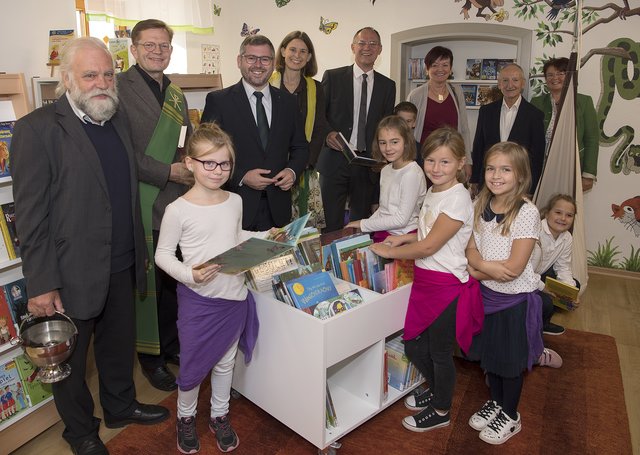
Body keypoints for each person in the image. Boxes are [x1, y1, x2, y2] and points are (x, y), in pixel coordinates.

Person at [11, 37, 169, 455]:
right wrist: (42, 283)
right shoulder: (36, 130)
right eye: (90, 75)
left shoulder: (115, 119)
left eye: (108, 74)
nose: (101, 83)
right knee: (71, 365)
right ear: (66, 79)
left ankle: (120, 407)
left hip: (123, 262)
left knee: (118, 347)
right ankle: (80, 431)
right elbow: (31, 216)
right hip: (71, 270)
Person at [154, 123, 260, 454]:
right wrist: (189, 274)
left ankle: (219, 414)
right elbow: (162, 255)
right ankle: (185, 418)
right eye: (208, 163)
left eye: (224, 163)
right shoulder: (178, 210)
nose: (217, 170)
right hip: (200, 301)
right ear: (190, 163)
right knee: (193, 366)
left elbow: (235, 237)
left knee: (226, 362)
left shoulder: (235, 200)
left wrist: (267, 238)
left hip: (234, 296)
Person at [370, 127, 483, 432]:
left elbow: (431, 245)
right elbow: (425, 231)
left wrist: (389, 249)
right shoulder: (435, 191)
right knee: (414, 345)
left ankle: (442, 408)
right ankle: (437, 391)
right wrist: (403, 238)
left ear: (460, 163)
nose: (436, 168)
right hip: (426, 280)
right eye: (430, 161)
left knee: (438, 352)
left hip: (446, 286)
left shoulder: (458, 198)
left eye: (445, 162)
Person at [117, 18, 193, 393]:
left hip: (180, 202)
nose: (157, 51)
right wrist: (168, 171)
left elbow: (187, 143)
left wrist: (193, 167)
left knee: (174, 282)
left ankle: (173, 344)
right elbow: (123, 153)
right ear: (133, 49)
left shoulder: (176, 94)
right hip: (144, 203)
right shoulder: (117, 89)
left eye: (163, 45)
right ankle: (151, 358)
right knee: (151, 284)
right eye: (149, 45)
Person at [465, 141, 544, 445]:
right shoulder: (479, 204)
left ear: (521, 175)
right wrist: (486, 268)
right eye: (490, 168)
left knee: (510, 364)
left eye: (505, 169)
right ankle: (497, 402)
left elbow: (513, 267)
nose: (496, 175)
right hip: (485, 297)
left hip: (513, 303)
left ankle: (511, 415)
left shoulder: (527, 212)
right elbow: (470, 248)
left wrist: (478, 270)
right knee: (491, 358)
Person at [202, 34, 309, 230]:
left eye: (265, 59)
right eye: (251, 58)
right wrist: (241, 176)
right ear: (239, 61)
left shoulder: (288, 102)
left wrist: (292, 171)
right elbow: (207, 154)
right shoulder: (219, 101)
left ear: (273, 63)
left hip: (278, 208)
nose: (258, 65)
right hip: (235, 204)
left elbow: (300, 147)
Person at [317, 27, 396, 232]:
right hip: (334, 160)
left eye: (372, 44)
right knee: (330, 223)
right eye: (362, 43)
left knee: (361, 224)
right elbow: (319, 117)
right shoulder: (333, 77)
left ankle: (354, 264)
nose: (366, 48)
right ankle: (329, 263)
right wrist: (327, 134)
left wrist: (384, 157)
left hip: (367, 164)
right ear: (353, 47)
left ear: (380, 49)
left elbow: (386, 126)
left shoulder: (388, 86)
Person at [269, 30, 329, 229]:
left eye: (303, 51)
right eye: (293, 49)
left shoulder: (316, 88)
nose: (297, 55)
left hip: (303, 168)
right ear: (283, 51)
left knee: (304, 231)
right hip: (272, 168)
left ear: (309, 57)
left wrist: (301, 164)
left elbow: (319, 128)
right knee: (275, 227)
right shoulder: (267, 83)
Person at [345, 115, 426, 243]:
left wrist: (363, 224)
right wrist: (363, 226)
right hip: (385, 232)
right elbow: (384, 210)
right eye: (383, 142)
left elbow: (401, 219)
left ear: (406, 141)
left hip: (404, 237)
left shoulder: (412, 173)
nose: (388, 148)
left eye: (394, 142)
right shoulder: (385, 170)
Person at [470, 64, 545, 196]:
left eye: (515, 80)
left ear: (523, 84)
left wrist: (531, 189)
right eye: (505, 80)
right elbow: (478, 147)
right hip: (489, 182)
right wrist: (475, 179)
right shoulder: (486, 112)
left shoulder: (535, 115)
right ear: (499, 84)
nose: (510, 85)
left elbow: (537, 156)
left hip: (519, 184)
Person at [530, 57, 599, 191]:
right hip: (541, 167)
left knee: (565, 207)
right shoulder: (536, 102)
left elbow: (591, 139)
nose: (555, 78)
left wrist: (588, 174)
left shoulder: (584, 102)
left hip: (571, 167)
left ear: (569, 76)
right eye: (550, 75)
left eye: (561, 73)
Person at [406, 46, 472, 180]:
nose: (440, 69)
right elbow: (406, 131)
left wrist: (468, 161)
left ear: (451, 68)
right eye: (434, 65)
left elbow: (464, 129)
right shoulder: (416, 95)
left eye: (445, 65)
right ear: (427, 68)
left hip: (451, 160)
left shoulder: (457, 92)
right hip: (423, 160)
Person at [531, 194, 580, 336]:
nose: (563, 218)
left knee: (574, 286)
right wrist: (543, 287)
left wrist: (571, 293)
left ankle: (543, 321)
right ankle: (534, 326)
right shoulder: (535, 231)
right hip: (521, 276)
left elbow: (563, 267)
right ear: (547, 213)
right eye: (558, 212)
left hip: (539, 274)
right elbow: (524, 270)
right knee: (545, 301)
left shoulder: (567, 237)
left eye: (569, 215)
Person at [393, 101, 423, 168]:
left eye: (408, 121)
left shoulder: (420, 150)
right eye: (401, 120)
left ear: (414, 123)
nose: (404, 125)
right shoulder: (386, 145)